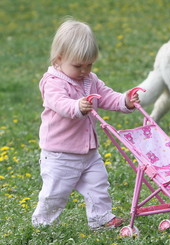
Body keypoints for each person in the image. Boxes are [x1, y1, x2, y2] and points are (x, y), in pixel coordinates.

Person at [32, 18, 140, 230]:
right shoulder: (52, 82)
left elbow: (105, 96)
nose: (84, 70)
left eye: (89, 64)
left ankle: (100, 218)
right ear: (59, 59)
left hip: (89, 153)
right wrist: (76, 107)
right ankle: (42, 224)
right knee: (55, 193)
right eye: (78, 66)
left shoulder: (90, 79)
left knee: (98, 185)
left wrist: (124, 101)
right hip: (60, 154)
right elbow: (60, 103)